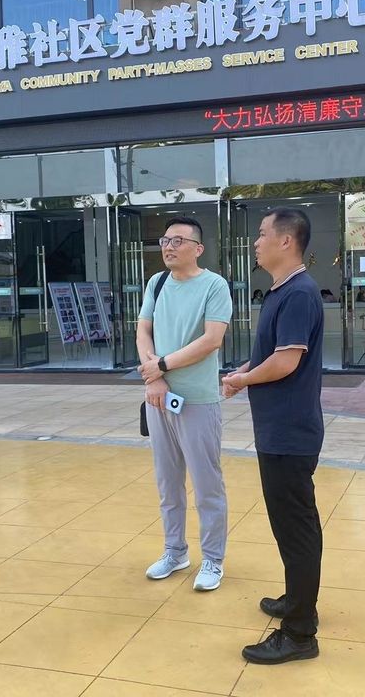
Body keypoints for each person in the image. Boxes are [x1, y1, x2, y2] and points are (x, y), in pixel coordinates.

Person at [222, 208, 324, 665]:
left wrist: (244, 381)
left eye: (262, 234)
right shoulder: (283, 291)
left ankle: (299, 633)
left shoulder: (299, 293)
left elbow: (285, 363)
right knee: (290, 525)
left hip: (289, 432)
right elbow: (270, 353)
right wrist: (243, 372)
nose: (256, 242)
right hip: (279, 429)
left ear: (286, 241)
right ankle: (298, 601)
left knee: (296, 529)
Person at [137, 217, 233, 591]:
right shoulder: (157, 283)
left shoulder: (214, 285)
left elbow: (211, 340)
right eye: (165, 240)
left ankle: (213, 559)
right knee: (168, 483)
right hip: (158, 398)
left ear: (198, 248)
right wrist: (155, 378)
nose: (169, 247)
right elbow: (143, 330)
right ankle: (175, 551)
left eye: (178, 241)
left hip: (197, 400)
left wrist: (161, 365)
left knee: (207, 484)